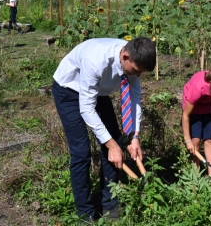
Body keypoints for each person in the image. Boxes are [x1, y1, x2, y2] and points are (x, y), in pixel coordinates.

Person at [52, 37, 156, 221]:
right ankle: (85, 214)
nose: (137, 76)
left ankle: (110, 205)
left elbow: (135, 98)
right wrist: (110, 145)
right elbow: (86, 108)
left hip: (97, 91)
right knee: (81, 152)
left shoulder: (134, 57)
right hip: (68, 90)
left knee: (116, 140)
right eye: (136, 71)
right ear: (125, 56)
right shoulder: (97, 61)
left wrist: (135, 136)